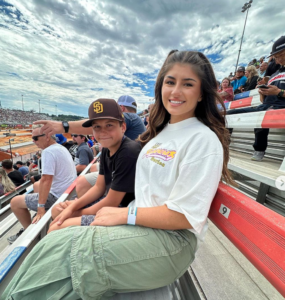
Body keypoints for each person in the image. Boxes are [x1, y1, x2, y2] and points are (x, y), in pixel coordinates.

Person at [1, 50, 233, 300]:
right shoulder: (162, 133)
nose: (176, 91)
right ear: (161, 86)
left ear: (202, 93)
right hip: (143, 226)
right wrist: (63, 127)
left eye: (188, 84)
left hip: (170, 241)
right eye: (170, 82)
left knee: (59, 255)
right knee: (50, 246)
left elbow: (185, 215)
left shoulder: (203, 140)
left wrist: (124, 213)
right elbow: (104, 127)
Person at [49, 98, 142, 231]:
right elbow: (99, 187)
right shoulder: (107, 148)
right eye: (97, 127)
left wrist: (75, 213)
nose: (103, 132)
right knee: (57, 210)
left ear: (123, 127)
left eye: (109, 125)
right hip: (111, 205)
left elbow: (113, 202)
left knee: (55, 227)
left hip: (123, 211)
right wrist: (73, 207)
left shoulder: (129, 151)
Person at [6, 125, 77, 244]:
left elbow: (46, 179)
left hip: (58, 196)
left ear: (47, 136)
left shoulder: (48, 151)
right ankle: (35, 222)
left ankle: (29, 233)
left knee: (14, 202)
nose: (33, 141)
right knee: (36, 185)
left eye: (36, 138)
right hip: (68, 192)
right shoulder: (60, 148)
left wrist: (40, 208)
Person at [227, 36, 285, 161]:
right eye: (276, 56)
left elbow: (278, 93)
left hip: (281, 107)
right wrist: (262, 92)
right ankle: (223, 144)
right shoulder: (274, 74)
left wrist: (279, 92)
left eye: (282, 55)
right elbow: (264, 100)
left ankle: (259, 149)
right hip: (266, 105)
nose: (278, 59)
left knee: (264, 113)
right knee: (229, 114)